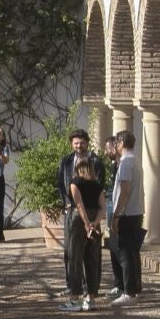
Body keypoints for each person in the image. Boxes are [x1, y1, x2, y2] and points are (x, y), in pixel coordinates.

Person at [57, 129, 105, 308]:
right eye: (76, 143)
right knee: (91, 259)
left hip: (79, 220)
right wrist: (95, 223)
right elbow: (102, 208)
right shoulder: (97, 185)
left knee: (75, 257)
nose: (79, 146)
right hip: (93, 220)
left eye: (82, 142)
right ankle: (90, 299)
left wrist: (86, 224)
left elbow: (79, 205)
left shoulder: (76, 182)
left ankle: (75, 298)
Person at [107, 130, 144, 305]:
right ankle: (135, 288)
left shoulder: (126, 164)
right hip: (135, 212)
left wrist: (116, 215)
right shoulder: (135, 160)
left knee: (126, 254)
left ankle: (129, 292)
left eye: (117, 143)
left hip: (127, 213)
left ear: (121, 143)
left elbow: (125, 190)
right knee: (132, 252)